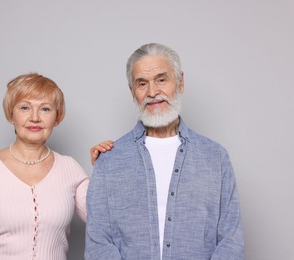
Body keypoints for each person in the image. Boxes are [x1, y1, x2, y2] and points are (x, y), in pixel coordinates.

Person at [85, 43, 244, 260]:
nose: (152, 92)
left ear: (180, 83)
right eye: (142, 84)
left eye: (161, 79)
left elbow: (231, 242)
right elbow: (98, 243)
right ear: (133, 92)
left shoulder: (215, 158)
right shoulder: (110, 160)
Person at [0, 72, 113, 260]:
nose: (35, 117)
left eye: (45, 109)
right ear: (11, 114)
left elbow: (105, 220)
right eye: (25, 108)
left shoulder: (70, 169)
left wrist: (105, 168)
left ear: (57, 117)